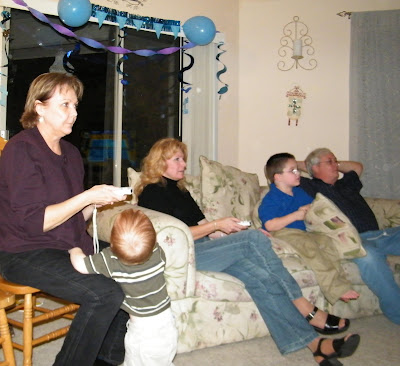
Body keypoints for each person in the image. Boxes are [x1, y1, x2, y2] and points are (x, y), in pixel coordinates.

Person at [135, 138, 361, 366]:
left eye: (184, 159)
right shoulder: (151, 192)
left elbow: (211, 231)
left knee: (261, 276)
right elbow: (174, 235)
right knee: (252, 238)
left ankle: (316, 346)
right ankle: (306, 308)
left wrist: (235, 234)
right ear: (160, 162)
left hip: (208, 249)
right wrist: (219, 226)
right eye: (177, 159)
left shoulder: (181, 191)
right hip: (185, 255)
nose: (184, 164)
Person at [0, 72, 131, 366]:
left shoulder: (70, 153)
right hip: (23, 251)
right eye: (65, 105)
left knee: (130, 263)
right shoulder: (21, 150)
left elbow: (70, 216)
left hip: (63, 243)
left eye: (75, 105)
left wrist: (96, 202)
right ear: (39, 107)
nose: (74, 113)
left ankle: (105, 360)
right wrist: (86, 196)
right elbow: (36, 222)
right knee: (104, 293)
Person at [299, 147, 400, 325]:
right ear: (314, 169)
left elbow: (358, 167)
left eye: (336, 161)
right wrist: (307, 165)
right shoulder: (310, 187)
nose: (336, 166)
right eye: (330, 162)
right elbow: (283, 169)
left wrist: (332, 163)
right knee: (368, 257)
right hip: (356, 242)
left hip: (381, 235)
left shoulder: (346, 184)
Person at [69, 208, 178, 366]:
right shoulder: (157, 252)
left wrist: (74, 248)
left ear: (113, 243)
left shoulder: (111, 259)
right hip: (168, 324)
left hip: (142, 334)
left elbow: (80, 265)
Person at [258, 153, 359, 304]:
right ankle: (336, 289)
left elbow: (314, 205)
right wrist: (295, 216)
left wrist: (311, 207)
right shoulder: (272, 197)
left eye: (297, 170)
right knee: (311, 249)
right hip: (284, 233)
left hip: (305, 232)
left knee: (327, 243)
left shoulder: (299, 192)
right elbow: (270, 225)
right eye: (292, 171)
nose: (298, 173)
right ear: (278, 177)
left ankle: (341, 283)